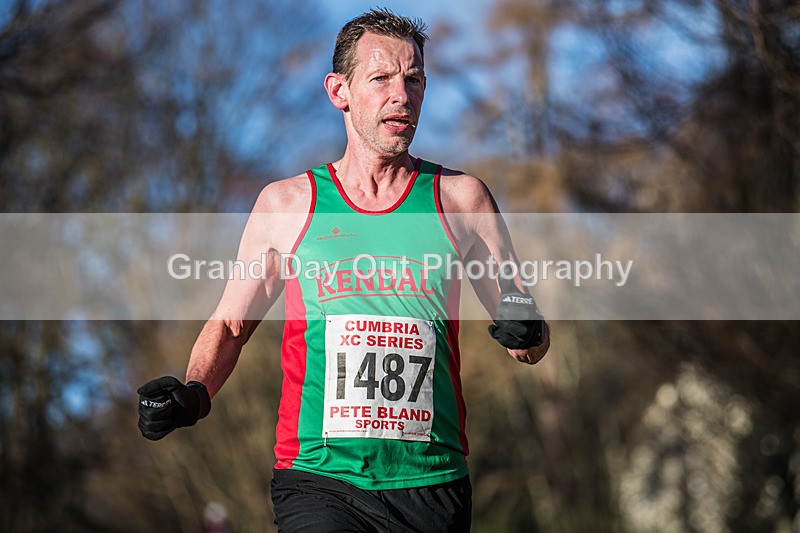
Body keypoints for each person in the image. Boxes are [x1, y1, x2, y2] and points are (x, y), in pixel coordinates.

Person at [137, 8, 550, 532]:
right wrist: (193, 395)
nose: (402, 95)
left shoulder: (461, 200)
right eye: (381, 79)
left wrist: (528, 330)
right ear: (340, 91)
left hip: (432, 484)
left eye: (414, 79)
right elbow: (231, 325)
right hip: (319, 478)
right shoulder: (287, 206)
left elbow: (527, 339)